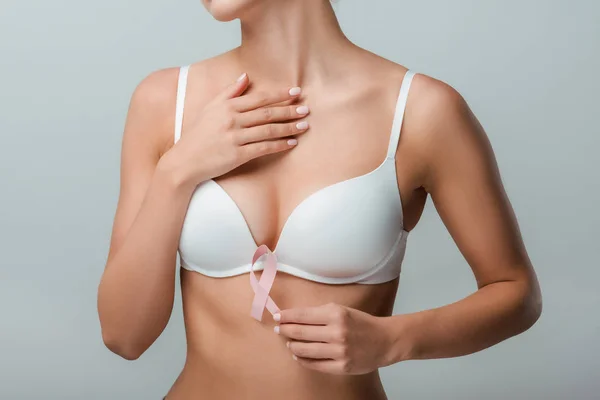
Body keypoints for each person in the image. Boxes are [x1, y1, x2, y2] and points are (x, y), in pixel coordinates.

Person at [96, 1, 543, 399]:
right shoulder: (163, 102)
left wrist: (395, 340)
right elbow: (124, 336)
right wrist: (179, 170)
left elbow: (517, 294)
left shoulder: (421, 112)